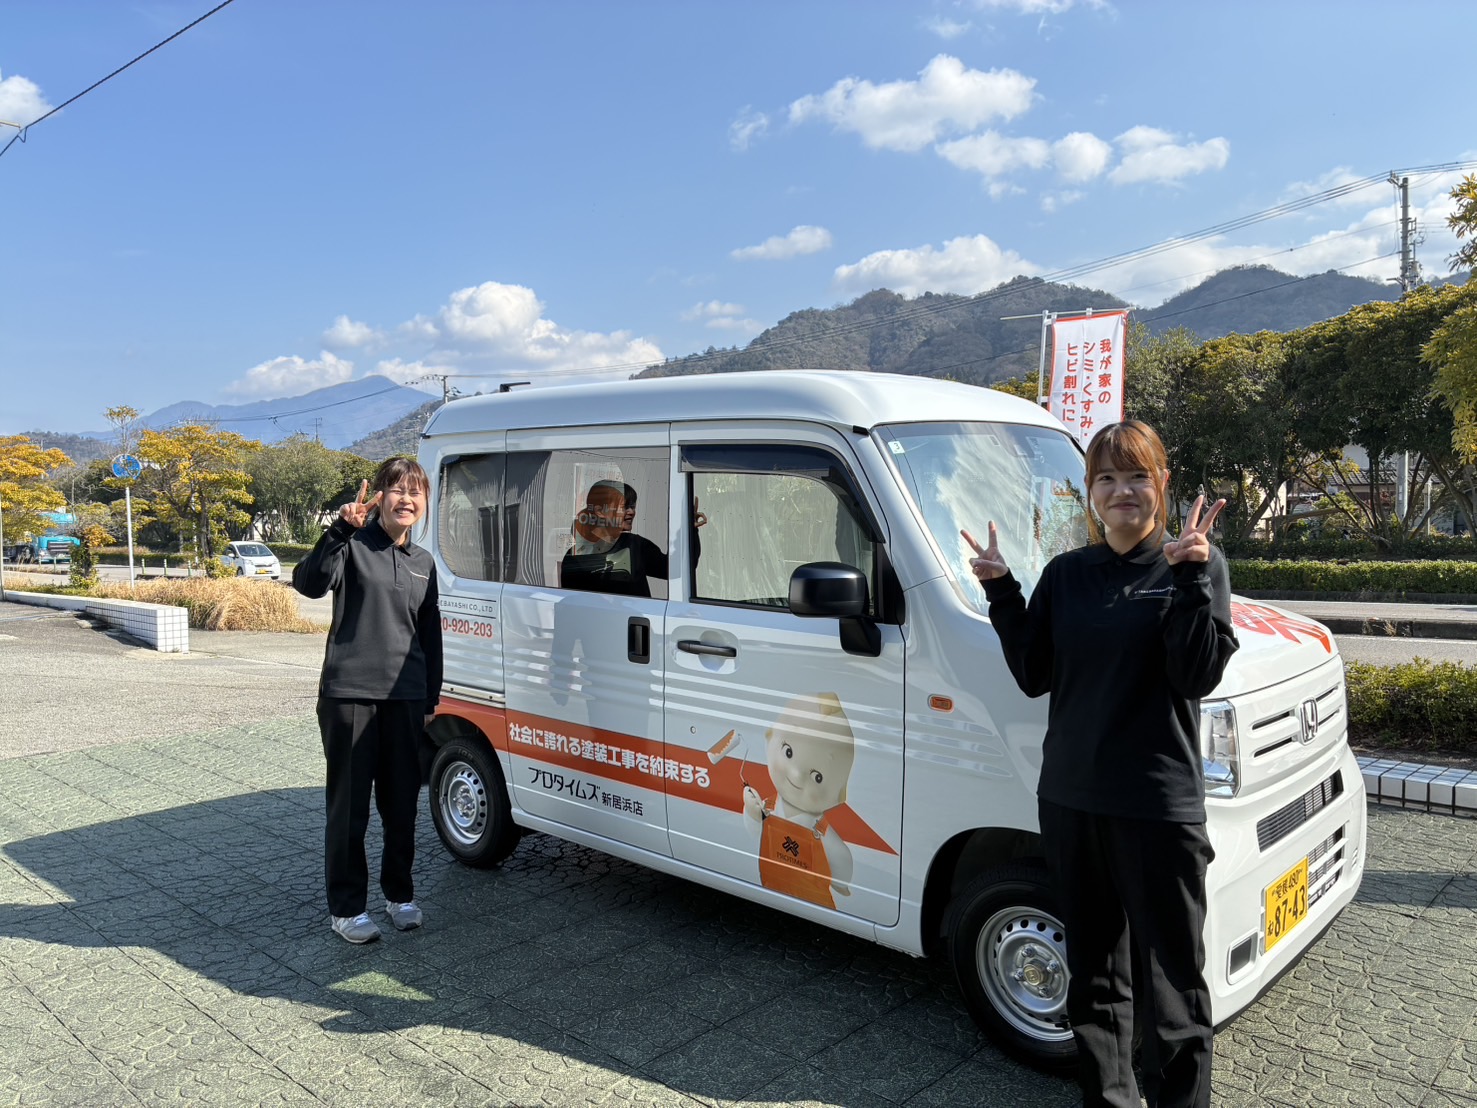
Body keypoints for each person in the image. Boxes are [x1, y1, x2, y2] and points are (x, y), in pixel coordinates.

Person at [962, 420, 1238, 1108]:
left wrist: (1190, 579)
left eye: (1137, 476)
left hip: (1157, 806)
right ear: (1088, 491)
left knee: (1172, 983)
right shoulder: (1067, 574)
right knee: (1093, 975)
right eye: (1107, 478)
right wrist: (1002, 591)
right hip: (1071, 799)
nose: (1122, 491)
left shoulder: (1192, 565)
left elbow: (1195, 675)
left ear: (1161, 483)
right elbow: (1033, 673)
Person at [293, 458, 443, 944]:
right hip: (350, 695)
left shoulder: (423, 562)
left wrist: (430, 697)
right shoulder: (352, 545)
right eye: (396, 489)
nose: (406, 499)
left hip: (406, 697)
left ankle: (400, 895)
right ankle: (346, 909)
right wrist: (339, 530)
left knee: (401, 805)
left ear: (425, 501)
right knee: (350, 807)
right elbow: (308, 584)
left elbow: (430, 633)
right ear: (378, 496)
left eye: (415, 491)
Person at [559, 479, 703, 598]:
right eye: (625, 507)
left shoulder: (636, 545)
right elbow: (574, 604)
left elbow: (676, 570)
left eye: (633, 506)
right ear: (600, 511)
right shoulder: (576, 556)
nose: (632, 512)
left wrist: (690, 530)